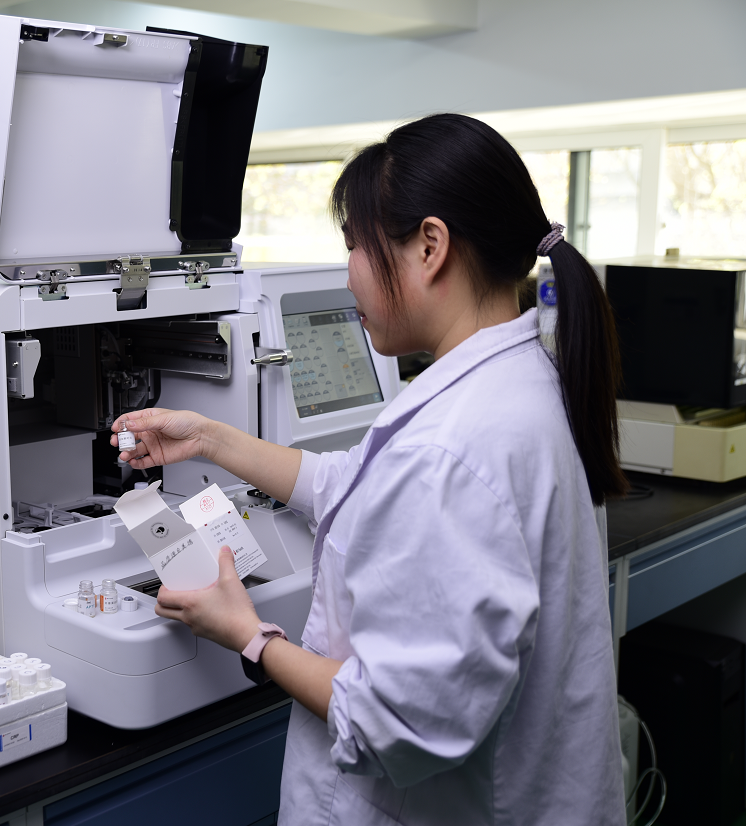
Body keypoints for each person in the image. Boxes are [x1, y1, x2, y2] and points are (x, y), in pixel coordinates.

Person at [111, 113, 627, 825]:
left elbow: (394, 724)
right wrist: (209, 438)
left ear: (430, 247)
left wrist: (250, 636)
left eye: (355, 244)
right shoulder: (518, 382)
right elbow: (351, 482)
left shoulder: (448, 451)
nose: (349, 270)